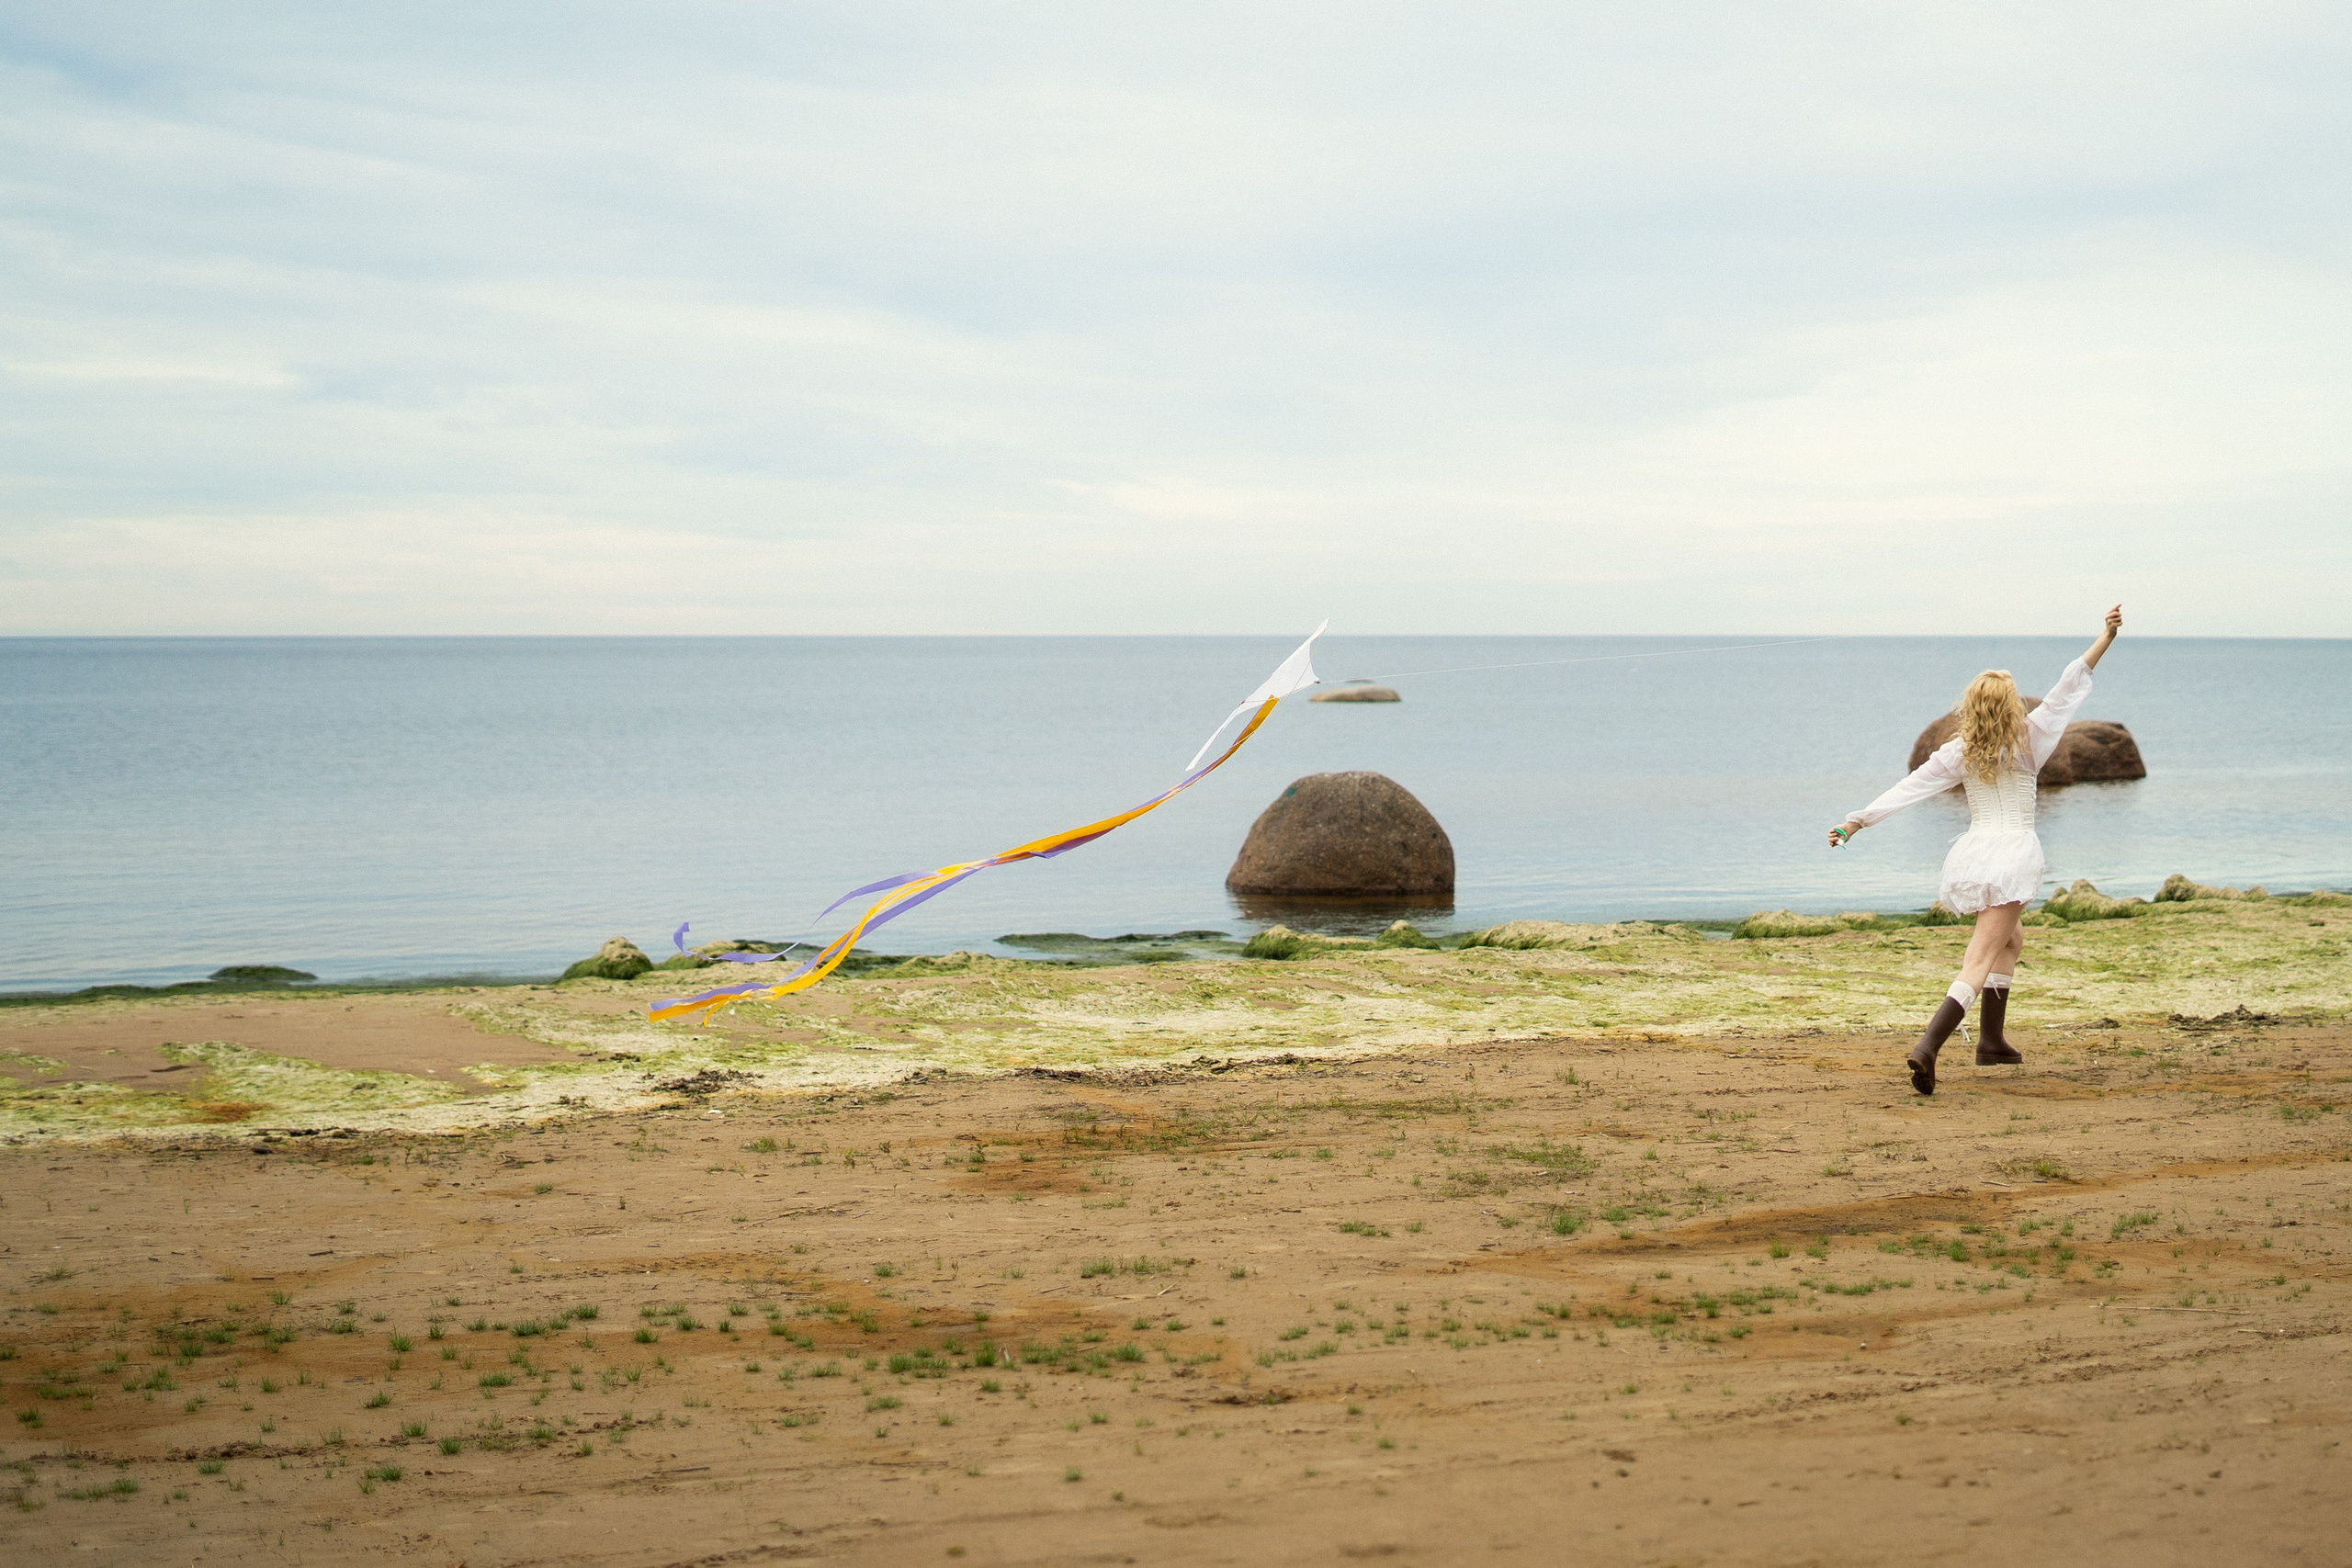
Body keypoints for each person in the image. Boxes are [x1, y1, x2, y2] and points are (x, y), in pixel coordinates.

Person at [1828, 605, 2124, 1094]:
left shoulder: (1959, 752)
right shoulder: (2034, 735)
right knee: (1981, 955)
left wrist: (1856, 821)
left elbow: (1910, 788)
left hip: (1973, 853)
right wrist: (2107, 635)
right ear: (2011, 706)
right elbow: (2072, 682)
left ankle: (1992, 1042)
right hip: (2012, 855)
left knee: (2011, 941)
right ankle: (1928, 1047)